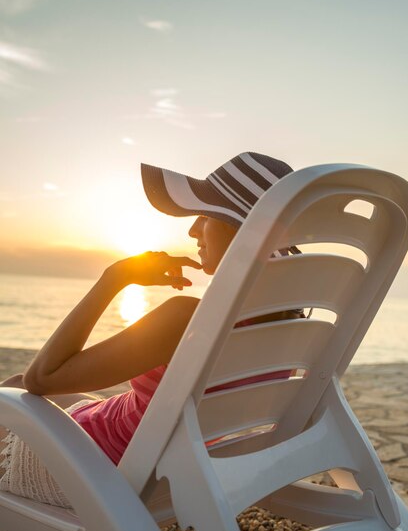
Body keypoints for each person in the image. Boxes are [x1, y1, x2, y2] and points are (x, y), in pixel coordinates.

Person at [0, 151, 301, 508]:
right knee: (34, 388)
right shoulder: (291, 326)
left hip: (94, 471)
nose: (192, 230)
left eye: (204, 216)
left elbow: (42, 377)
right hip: (170, 466)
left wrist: (117, 277)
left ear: (238, 228)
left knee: (17, 389)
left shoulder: (186, 320)